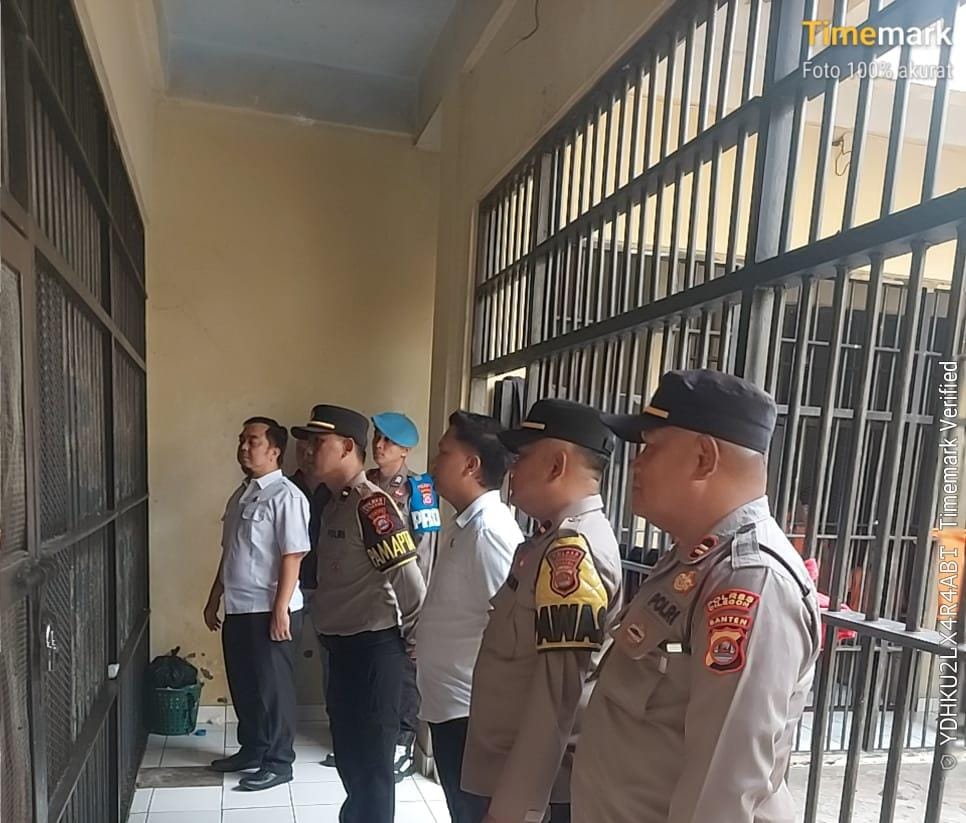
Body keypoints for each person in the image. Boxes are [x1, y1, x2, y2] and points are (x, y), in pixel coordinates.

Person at [571, 369, 821, 823]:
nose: (636, 465)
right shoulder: (694, 560)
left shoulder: (749, 581)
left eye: (651, 448)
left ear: (704, 458)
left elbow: (723, 791)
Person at [462, 398, 623, 823]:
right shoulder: (548, 541)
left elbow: (559, 695)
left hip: (539, 793)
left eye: (522, 458)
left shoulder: (573, 552)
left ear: (556, 464)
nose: (511, 470)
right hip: (513, 774)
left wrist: (518, 807)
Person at [293, 404, 427, 823]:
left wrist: (416, 643)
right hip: (342, 649)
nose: (309, 450)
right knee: (351, 760)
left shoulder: (372, 506)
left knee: (371, 770)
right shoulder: (335, 502)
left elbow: (409, 582)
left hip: (373, 651)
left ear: (348, 447)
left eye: (319, 442)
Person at [416, 411, 522, 823]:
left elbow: (512, 626)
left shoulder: (490, 533)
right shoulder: (465, 524)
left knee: (473, 813)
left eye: (444, 453)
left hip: (471, 713)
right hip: (450, 705)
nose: (434, 463)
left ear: (471, 465)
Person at [203, 416, 309, 791]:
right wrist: (215, 596)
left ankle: (279, 762)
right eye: (241, 440)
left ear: (275, 450)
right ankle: (253, 749)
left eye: (253, 441)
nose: (244, 447)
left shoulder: (287, 496)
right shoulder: (242, 494)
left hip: (269, 609)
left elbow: (292, 555)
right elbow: (231, 551)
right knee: (245, 685)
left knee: (274, 690)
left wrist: (281, 609)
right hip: (239, 607)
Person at [368, 411, 441, 777]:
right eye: (377, 438)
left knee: (404, 673)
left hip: (403, 598)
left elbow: (424, 552)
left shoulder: (419, 491)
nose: (379, 446)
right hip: (366, 598)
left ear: (405, 451)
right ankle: (373, 740)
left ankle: (403, 742)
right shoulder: (364, 483)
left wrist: (417, 608)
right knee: (372, 672)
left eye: (389, 441)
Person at [289, 423, 335, 764]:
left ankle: (338, 729)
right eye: (302, 446)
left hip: (330, 589)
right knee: (281, 661)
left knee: (335, 664)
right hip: (289, 588)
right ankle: (279, 735)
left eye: (315, 445)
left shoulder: (339, 492)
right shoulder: (286, 489)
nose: (307, 452)